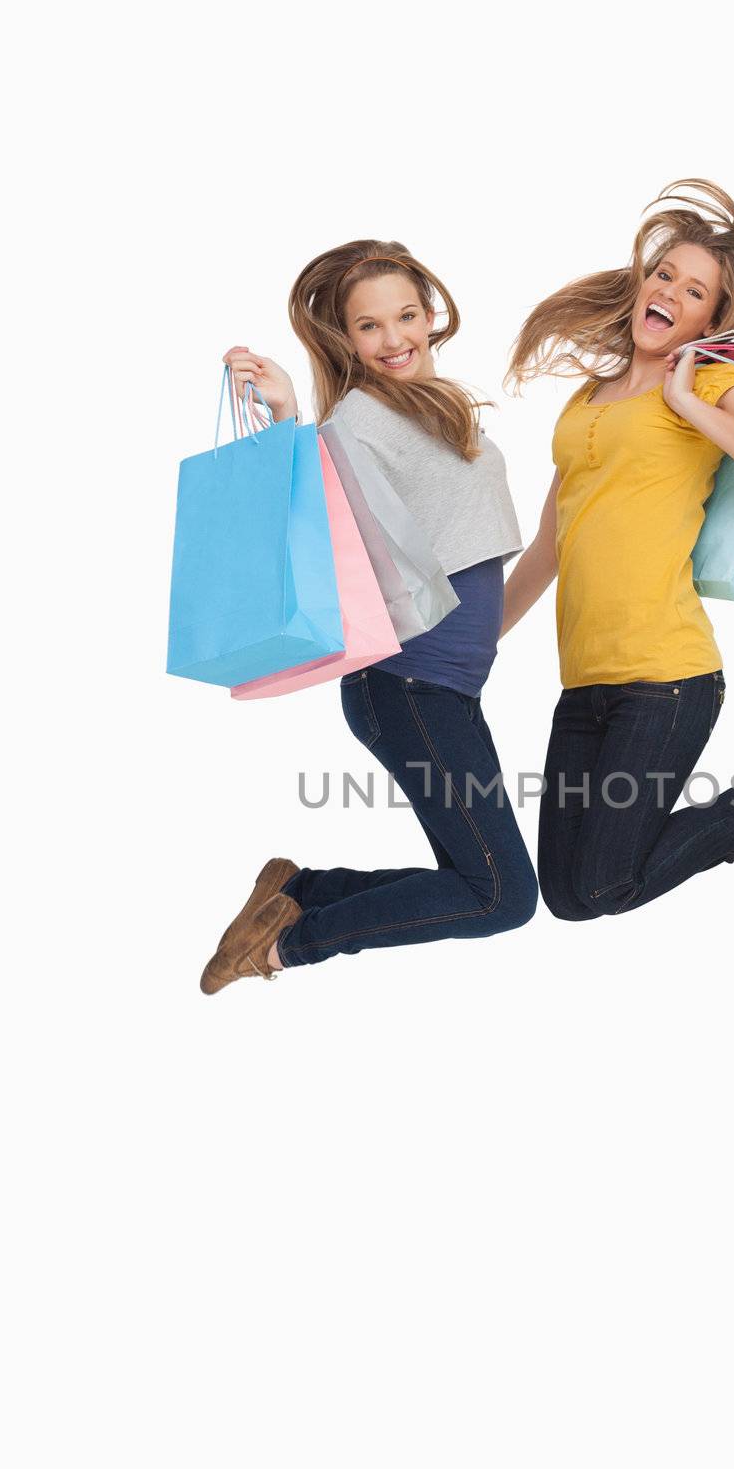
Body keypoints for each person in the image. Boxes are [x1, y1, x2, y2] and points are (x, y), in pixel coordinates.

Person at [501, 179, 734, 924]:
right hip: (583, 683)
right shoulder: (584, 402)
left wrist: (688, 402)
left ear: (710, 319)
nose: (669, 292)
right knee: (566, 896)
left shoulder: (713, 381)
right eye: (663, 274)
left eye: (694, 290)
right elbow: (547, 548)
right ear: (642, 285)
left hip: (666, 677)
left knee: (603, 886)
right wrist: (472, 646)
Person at [200, 241, 537, 993]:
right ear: (342, 339)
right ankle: (289, 944)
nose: (395, 340)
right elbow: (316, 522)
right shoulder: (353, 423)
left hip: (443, 691)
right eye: (369, 327)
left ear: (429, 313)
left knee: (476, 879)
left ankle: (302, 893)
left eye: (407, 316)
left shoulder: (430, 400)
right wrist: (289, 415)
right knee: (500, 897)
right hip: (407, 690)